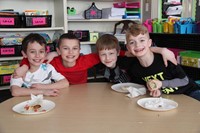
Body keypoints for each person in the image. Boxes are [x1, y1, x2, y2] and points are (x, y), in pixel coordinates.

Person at [16, 33, 177, 85]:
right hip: (60, 92)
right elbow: (34, 59)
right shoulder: (52, 61)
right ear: (58, 50)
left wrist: (160, 49)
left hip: (83, 94)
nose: (70, 53)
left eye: (74, 49)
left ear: (80, 50)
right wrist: (23, 66)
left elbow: (129, 52)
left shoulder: (88, 59)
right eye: (65, 49)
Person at [111, 24, 200, 101]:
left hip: (190, 92)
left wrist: (161, 84)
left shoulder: (165, 58)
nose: (137, 45)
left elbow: (185, 81)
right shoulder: (134, 67)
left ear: (149, 43)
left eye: (142, 40)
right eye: (132, 42)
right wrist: (156, 90)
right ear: (128, 48)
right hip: (169, 98)